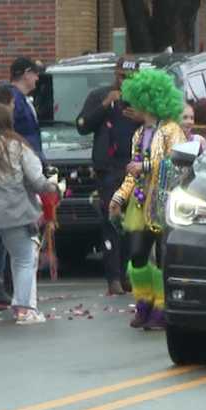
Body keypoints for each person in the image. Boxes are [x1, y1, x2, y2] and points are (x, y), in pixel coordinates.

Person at [0, 103, 59, 327]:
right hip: (13, 210)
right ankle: (24, 311)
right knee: (23, 260)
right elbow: (37, 181)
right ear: (9, 121)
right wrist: (54, 187)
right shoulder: (18, 146)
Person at [108, 68, 186, 331]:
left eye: (136, 103)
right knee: (138, 255)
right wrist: (119, 197)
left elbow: (175, 163)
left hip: (165, 204)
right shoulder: (139, 135)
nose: (131, 108)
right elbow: (132, 172)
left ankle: (163, 308)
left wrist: (145, 167)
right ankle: (145, 302)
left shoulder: (172, 130)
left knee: (164, 258)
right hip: (141, 203)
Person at [77, 56, 142, 296]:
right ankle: (113, 276)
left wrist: (142, 117)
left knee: (133, 223)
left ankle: (127, 272)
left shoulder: (142, 98)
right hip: (109, 169)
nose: (125, 81)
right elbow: (82, 125)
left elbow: (160, 128)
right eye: (122, 76)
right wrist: (105, 104)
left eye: (130, 77)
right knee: (111, 221)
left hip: (134, 167)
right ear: (116, 73)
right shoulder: (100, 95)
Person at [9, 57, 43, 158]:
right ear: (27, 74)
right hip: (22, 159)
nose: (37, 78)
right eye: (35, 74)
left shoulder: (21, 99)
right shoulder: (14, 101)